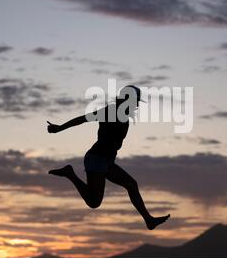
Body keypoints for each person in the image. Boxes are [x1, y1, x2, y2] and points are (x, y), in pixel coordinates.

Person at [46, 85, 170, 230]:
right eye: (135, 101)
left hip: (107, 162)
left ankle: (148, 220)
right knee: (94, 203)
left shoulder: (124, 115)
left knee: (131, 184)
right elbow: (82, 119)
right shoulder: (109, 111)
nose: (136, 105)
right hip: (96, 159)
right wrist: (59, 128)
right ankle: (70, 173)